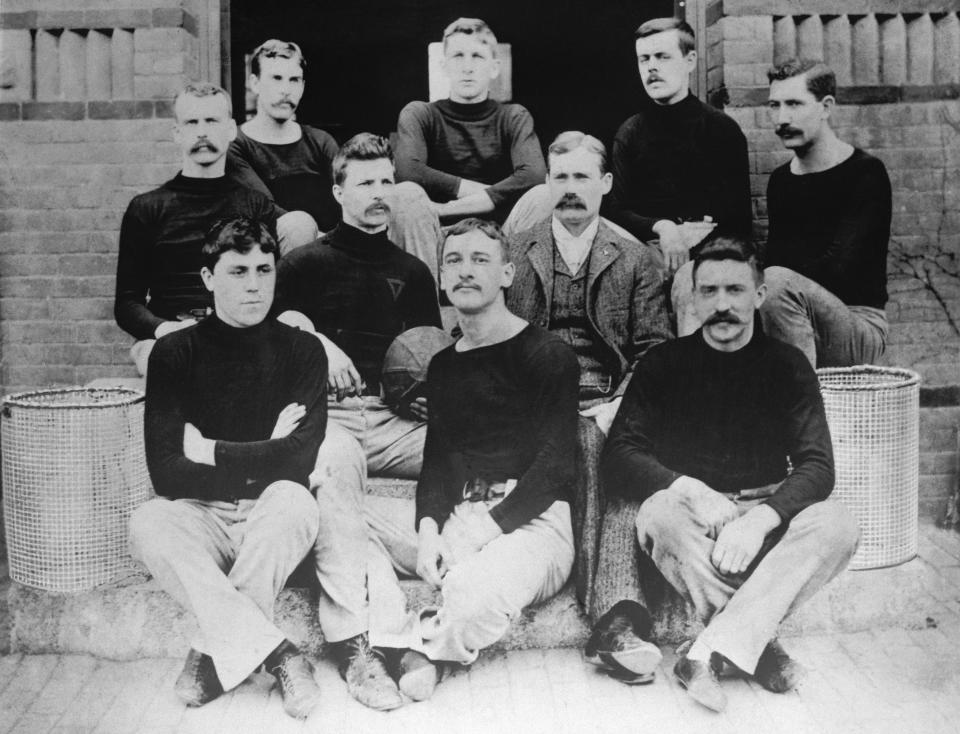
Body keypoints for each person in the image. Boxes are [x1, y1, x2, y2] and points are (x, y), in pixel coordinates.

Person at [601, 236, 859, 712]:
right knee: (657, 513)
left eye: (736, 291)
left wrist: (763, 517)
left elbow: (818, 465)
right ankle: (756, 646)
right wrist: (692, 490)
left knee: (838, 524)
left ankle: (705, 652)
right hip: (693, 524)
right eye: (710, 291)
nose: (723, 305)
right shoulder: (663, 365)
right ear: (693, 298)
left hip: (764, 515)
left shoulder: (787, 366)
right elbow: (619, 453)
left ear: (759, 295)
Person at [362, 218, 579, 703]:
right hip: (462, 513)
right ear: (440, 278)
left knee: (472, 594)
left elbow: (556, 467)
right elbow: (438, 465)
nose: (465, 271)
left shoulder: (547, 354)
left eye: (480, 259)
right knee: (341, 517)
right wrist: (428, 534)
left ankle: (420, 646)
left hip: (533, 524)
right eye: (453, 261)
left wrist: (483, 530)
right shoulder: (444, 364)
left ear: (507, 274)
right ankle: (394, 632)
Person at [128, 217, 327, 720]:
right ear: (208, 278)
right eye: (238, 271)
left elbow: (300, 461)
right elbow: (166, 473)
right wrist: (269, 448)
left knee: (293, 498)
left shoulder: (303, 349)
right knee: (148, 521)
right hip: (203, 516)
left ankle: (211, 649)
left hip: (273, 518)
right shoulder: (175, 352)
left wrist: (212, 450)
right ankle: (279, 653)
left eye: (265, 269)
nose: (255, 284)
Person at [274, 132, 442, 710]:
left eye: (386, 182)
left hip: (395, 419)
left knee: (470, 450)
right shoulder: (301, 264)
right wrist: (315, 339)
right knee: (333, 465)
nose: (378, 193)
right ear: (338, 190)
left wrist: (429, 395)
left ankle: (442, 587)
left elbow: (431, 353)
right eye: (365, 182)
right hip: (332, 417)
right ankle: (356, 644)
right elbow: (269, 344)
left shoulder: (413, 271)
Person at [115, 82, 311, 375]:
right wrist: (164, 329)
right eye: (192, 122)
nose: (202, 131)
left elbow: (273, 290)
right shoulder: (147, 209)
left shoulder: (255, 206)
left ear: (231, 130)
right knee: (166, 361)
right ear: (176, 134)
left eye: (212, 121)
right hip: (171, 336)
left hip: (242, 331)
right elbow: (127, 304)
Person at [507, 131, 672, 432]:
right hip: (527, 404)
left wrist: (621, 403)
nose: (570, 189)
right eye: (561, 178)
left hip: (606, 401)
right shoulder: (513, 252)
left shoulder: (635, 259)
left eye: (582, 177)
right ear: (547, 182)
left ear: (606, 183)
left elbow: (655, 347)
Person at [228, 39, 442, 270]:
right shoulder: (238, 145)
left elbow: (354, 189)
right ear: (255, 83)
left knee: (408, 194)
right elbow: (267, 211)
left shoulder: (319, 140)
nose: (285, 89)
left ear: (302, 86)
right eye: (276, 78)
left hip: (338, 243)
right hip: (281, 257)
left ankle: (420, 299)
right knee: (298, 225)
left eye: (294, 80)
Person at [760, 58, 890, 368]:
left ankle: (800, 408)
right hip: (792, 313)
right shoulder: (781, 180)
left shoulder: (865, 173)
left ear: (826, 106)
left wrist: (772, 279)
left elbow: (840, 268)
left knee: (774, 283)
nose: (781, 118)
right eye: (774, 106)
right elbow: (777, 261)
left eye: (794, 104)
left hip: (857, 325)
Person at [606, 17, 751, 273]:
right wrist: (663, 227)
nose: (651, 67)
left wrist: (692, 241)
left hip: (710, 259)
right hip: (644, 258)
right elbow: (616, 210)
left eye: (662, 57)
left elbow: (738, 221)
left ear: (690, 60)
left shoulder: (722, 130)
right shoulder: (629, 133)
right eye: (644, 59)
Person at [395, 18, 546, 230]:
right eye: (458, 56)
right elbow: (407, 171)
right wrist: (493, 193)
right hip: (435, 231)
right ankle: (423, 266)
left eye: (477, 56)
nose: (467, 68)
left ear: (494, 68)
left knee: (542, 196)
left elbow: (534, 176)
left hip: (500, 234)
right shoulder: (421, 114)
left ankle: (515, 265)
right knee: (406, 193)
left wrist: (447, 208)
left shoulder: (513, 116)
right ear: (444, 66)